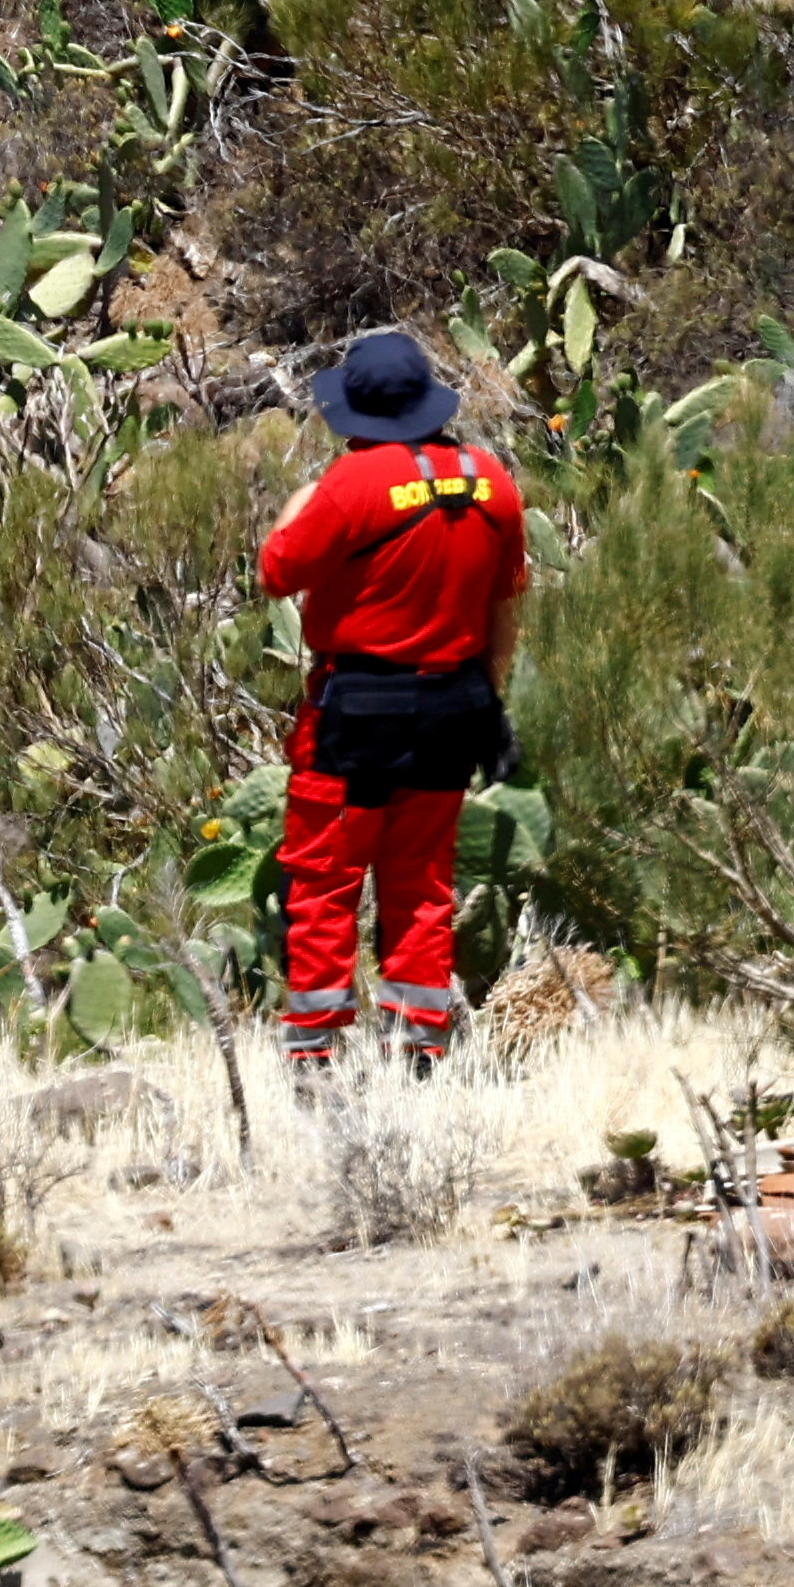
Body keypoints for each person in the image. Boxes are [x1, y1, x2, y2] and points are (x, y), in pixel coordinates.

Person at [257, 327, 527, 1077]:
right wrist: (485, 700)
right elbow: (505, 608)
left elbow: (277, 573)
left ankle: (314, 1057)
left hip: (356, 713)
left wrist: (301, 500)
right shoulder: (492, 479)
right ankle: (417, 1049)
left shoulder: (350, 487)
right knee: (421, 885)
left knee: (324, 884)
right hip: (454, 705)